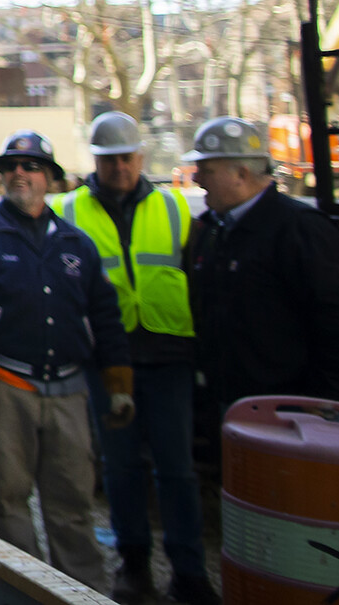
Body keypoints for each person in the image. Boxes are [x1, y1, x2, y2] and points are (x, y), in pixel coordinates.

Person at [0, 130, 131, 593]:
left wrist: (119, 382)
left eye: (32, 167)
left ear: (51, 180)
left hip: (68, 389)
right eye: (12, 167)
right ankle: (23, 593)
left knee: (73, 504)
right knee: (8, 502)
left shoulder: (75, 244)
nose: (21, 174)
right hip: (3, 388)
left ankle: (83, 593)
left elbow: (105, 315)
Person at [55, 111, 215, 605]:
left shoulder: (173, 208)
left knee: (176, 468)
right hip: (107, 358)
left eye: (127, 158)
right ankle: (134, 564)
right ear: (95, 162)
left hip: (168, 353)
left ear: (141, 158)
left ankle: (189, 573)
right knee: (121, 467)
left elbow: (197, 277)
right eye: (109, 160)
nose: (120, 167)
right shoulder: (69, 211)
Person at [183, 116, 339, 420]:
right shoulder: (215, 230)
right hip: (242, 404)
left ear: (241, 174)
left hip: (300, 411)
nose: (197, 179)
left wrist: (326, 401)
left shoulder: (299, 229)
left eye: (207, 171)